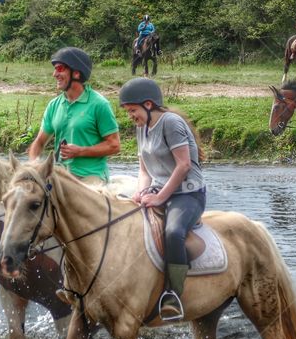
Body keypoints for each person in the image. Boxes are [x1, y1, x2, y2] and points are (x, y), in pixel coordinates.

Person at [120, 77, 206, 321]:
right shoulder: (141, 127)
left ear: (148, 105)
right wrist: (140, 192)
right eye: (128, 112)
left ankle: (173, 294)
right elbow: (144, 169)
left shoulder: (171, 123)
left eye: (132, 110)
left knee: (173, 232)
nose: (130, 116)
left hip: (188, 193)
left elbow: (183, 165)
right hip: (159, 190)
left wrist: (159, 198)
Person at [28, 47, 121, 185]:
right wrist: (33, 167)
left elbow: (114, 145)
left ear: (76, 73)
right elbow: (39, 143)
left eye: (60, 69)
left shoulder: (99, 104)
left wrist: (80, 151)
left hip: (91, 176)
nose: (54, 74)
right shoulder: (54, 105)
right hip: (61, 176)